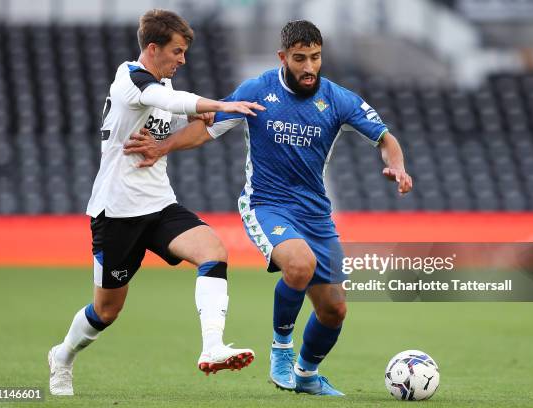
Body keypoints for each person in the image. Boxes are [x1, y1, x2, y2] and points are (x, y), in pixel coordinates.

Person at [123, 20, 412, 396]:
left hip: (316, 214)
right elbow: (207, 129)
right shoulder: (259, 90)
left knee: (334, 310)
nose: (309, 67)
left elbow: (385, 138)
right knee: (298, 264)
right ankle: (281, 352)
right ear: (283, 57)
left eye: (315, 58)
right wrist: (163, 146)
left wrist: (398, 166)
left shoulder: (338, 98)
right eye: (300, 58)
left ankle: (306, 375)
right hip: (267, 204)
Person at [48, 9, 264, 396]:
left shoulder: (161, 91)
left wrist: (233, 109)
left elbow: (196, 126)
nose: (183, 59)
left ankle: (212, 346)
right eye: (177, 51)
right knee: (106, 312)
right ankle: (62, 356)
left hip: (160, 206)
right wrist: (213, 103)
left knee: (214, 251)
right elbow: (170, 99)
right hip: (116, 213)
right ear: (153, 47)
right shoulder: (130, 79)